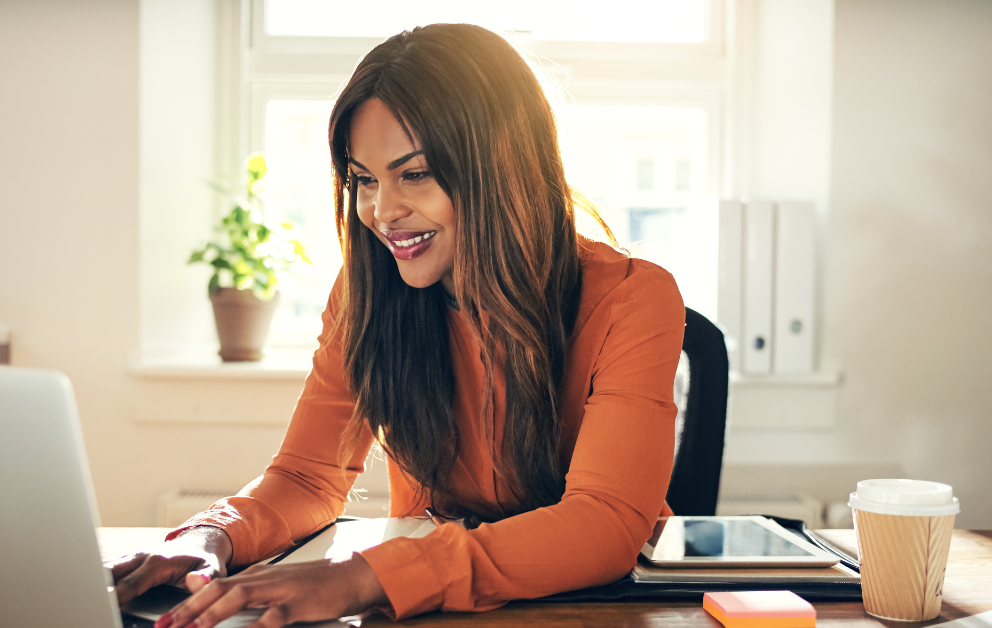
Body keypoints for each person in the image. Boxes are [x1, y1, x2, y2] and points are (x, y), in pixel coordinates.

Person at [108, 23, 684, 628]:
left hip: (595, 608)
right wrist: (208, 538)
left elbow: (604, 522)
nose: (381, 212)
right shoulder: (366, 295)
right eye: (363, 180)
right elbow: (308, 476)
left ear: (503, 166)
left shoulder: (634, 297)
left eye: (414, 174)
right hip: (429, 613)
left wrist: (370, 576)